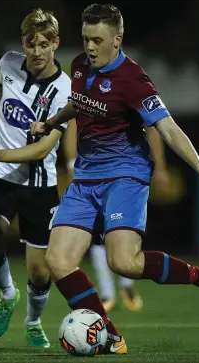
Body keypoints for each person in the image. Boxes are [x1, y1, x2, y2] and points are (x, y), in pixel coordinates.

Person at [30, 3, 199, 355]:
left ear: (118, 39)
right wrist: (52, 122)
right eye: (85, 39)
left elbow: (167, 127)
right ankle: (111, 336)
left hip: (125, 175)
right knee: (58, 261)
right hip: (85, 178)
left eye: (97, 40)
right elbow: (78, 103)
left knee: (123, 263)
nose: (90, 47)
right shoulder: (81, 66)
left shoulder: (134, 80)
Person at [0, 8, 71, 348]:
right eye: (30, 44)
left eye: (43, 44)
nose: (36, 51)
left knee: (41, 272)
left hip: (38, 186)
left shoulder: (65, 91)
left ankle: (33, 321)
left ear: (55, 44)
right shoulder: (10, 62)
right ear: (22, 44)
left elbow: (42, 150)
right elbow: (1, 77)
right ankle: (8, 295)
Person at [63, 119, 170, 313]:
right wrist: (72, 165)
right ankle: (107, 293)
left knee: (127, 229)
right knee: (98, 233)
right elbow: (72, 124)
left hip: (129, 171)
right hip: (95, 170)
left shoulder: (131, 92)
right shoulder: (88, 93)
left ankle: (127, 285)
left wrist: (161, 167)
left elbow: (154, 128)